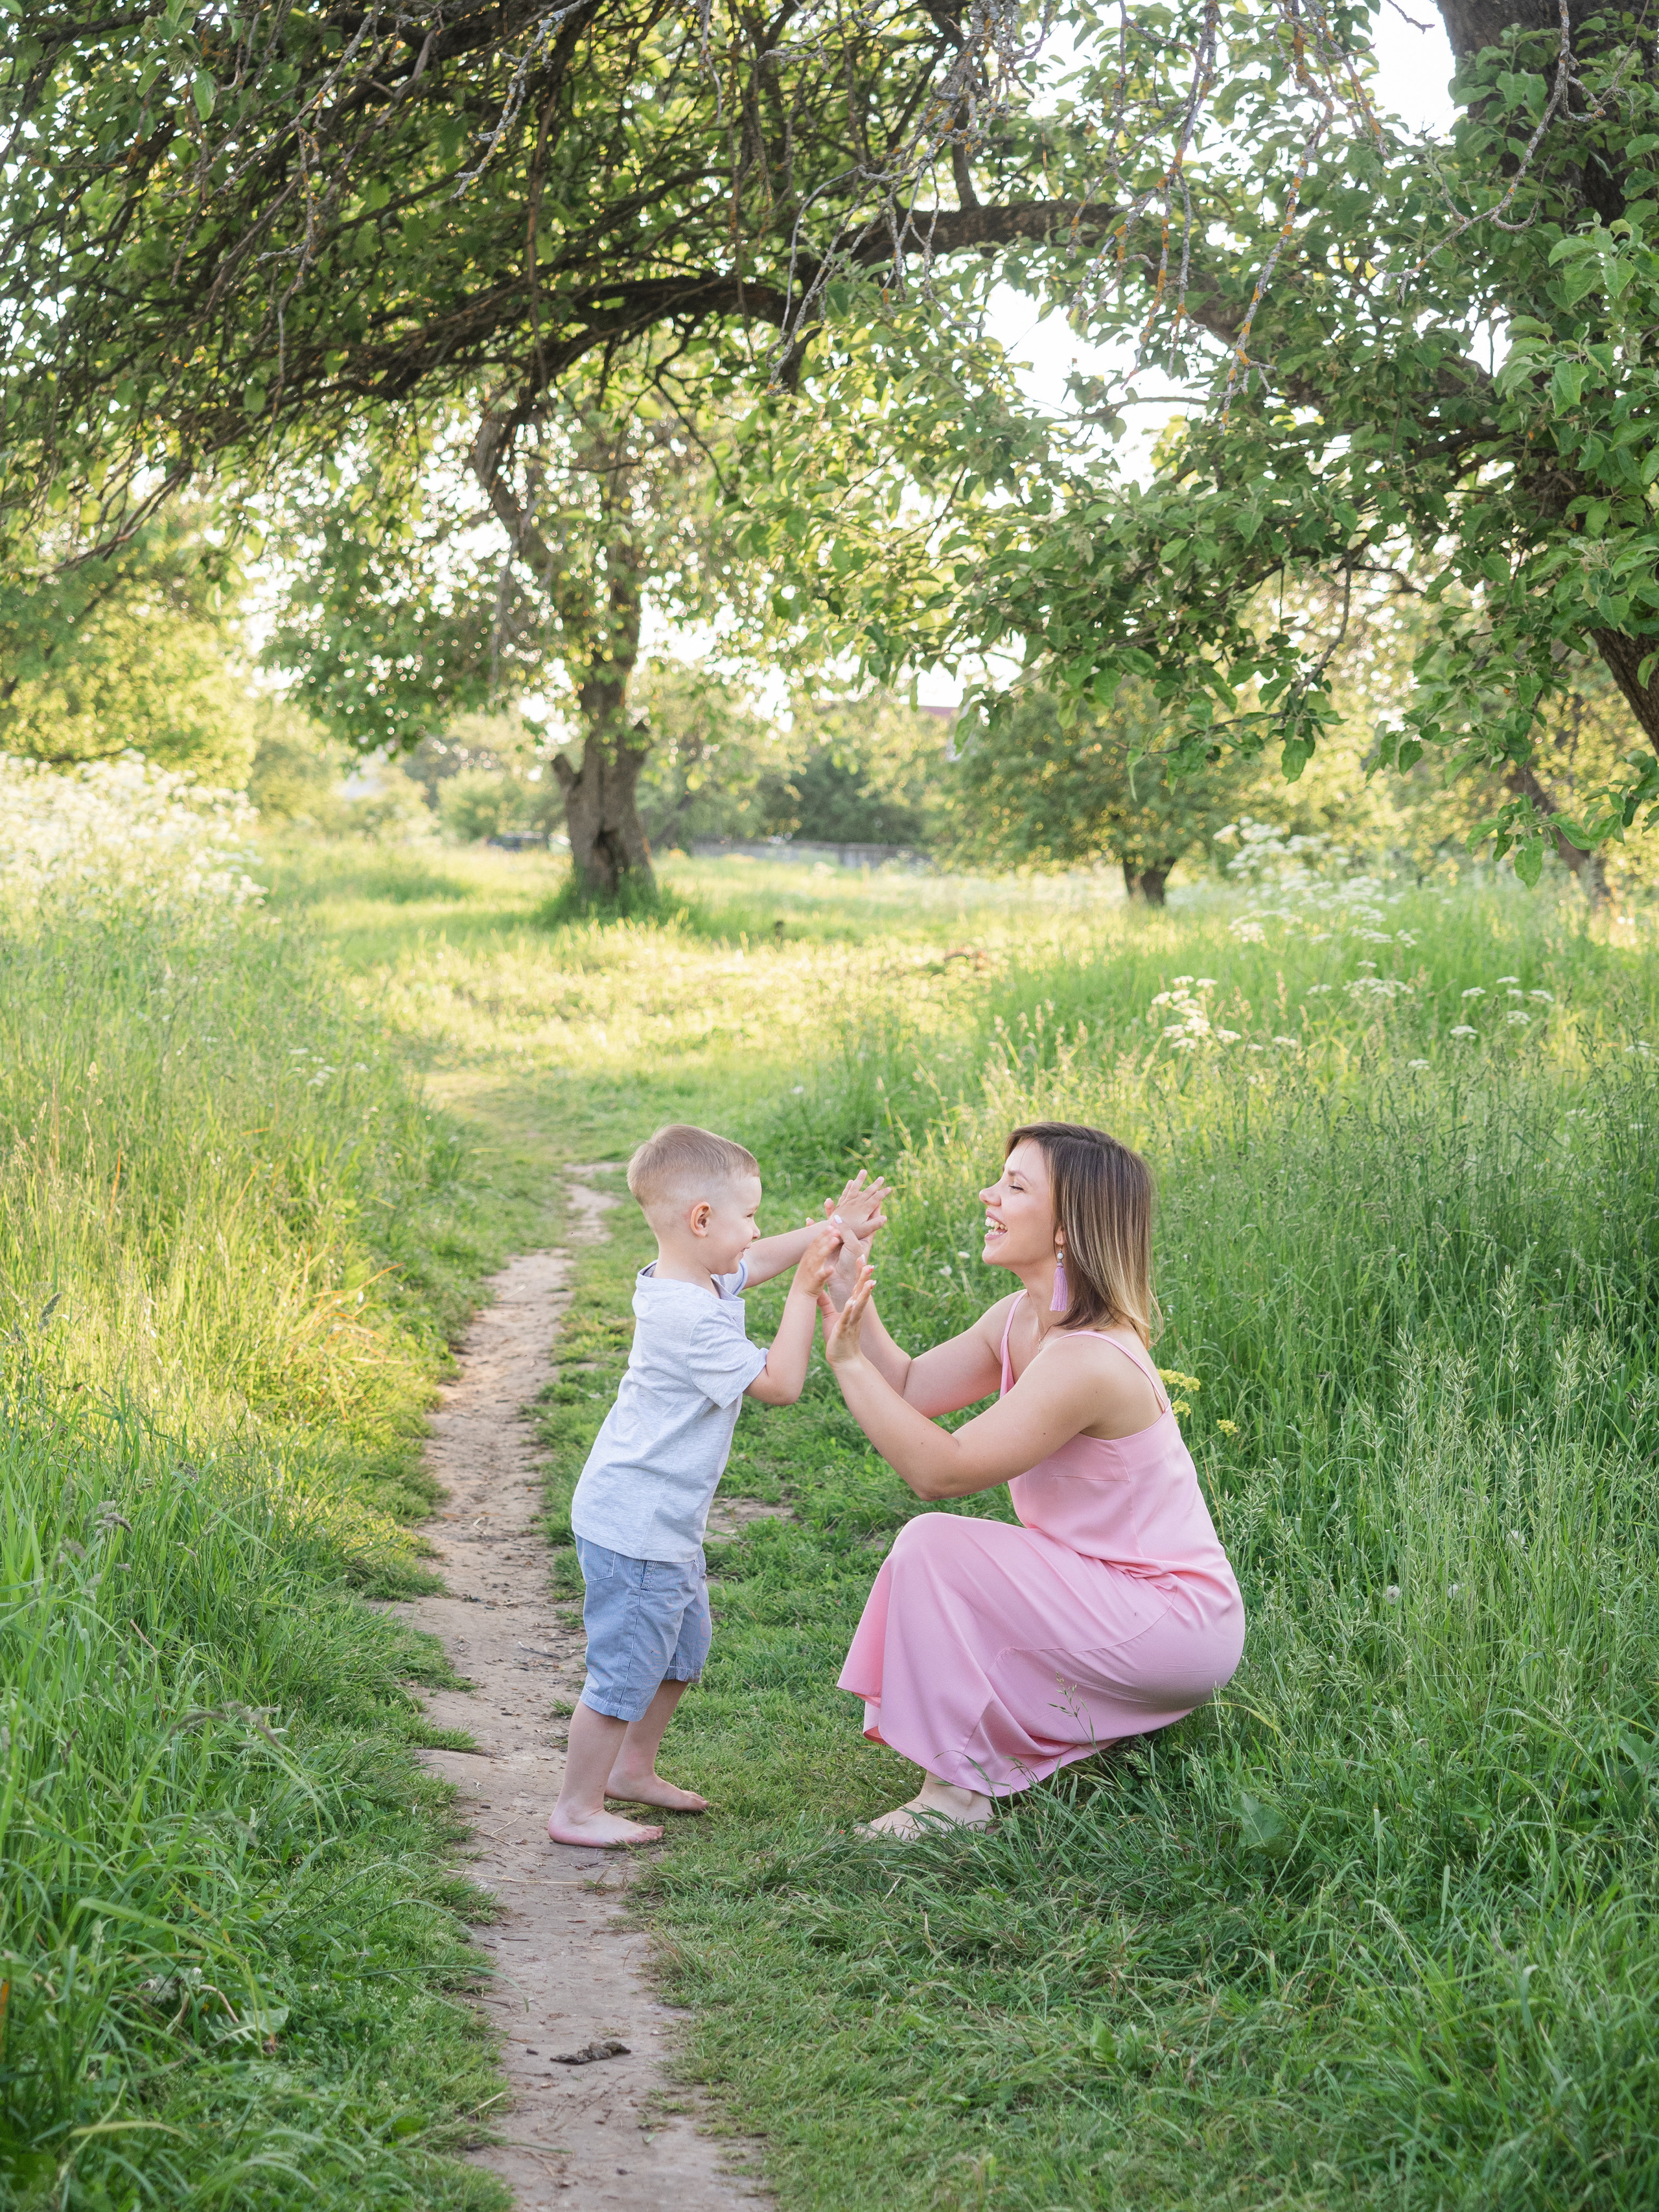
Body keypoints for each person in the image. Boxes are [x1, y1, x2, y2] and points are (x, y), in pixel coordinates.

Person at [819, 1119, 1244, 1839]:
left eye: (1015, 1185)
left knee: (934, 1544)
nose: (988, 1193)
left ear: (1065, 1229)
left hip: (1172, 1618)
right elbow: (914, 1385)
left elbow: (939, 1472)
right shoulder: (1021, 1317)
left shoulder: (1090, 1358)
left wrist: (847, 1364)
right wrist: (843, 1275)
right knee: (953, 1558)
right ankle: (1060, 1735)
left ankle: (956, 1797)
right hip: (1105, 1588)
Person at [548, 1124, 887, 1848]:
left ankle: (630, 1771)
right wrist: (806, 1292)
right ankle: (575, 1807)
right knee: (622, 1673)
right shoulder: (688, 1316)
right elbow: (782, 1384)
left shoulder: (694, 1275)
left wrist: (829, 1231)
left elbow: (757, 1258)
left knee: (680, 1650)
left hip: (660, 1520)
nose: (757, 1231)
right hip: (637, 1525)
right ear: (702, 1219)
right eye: (750, 1214)